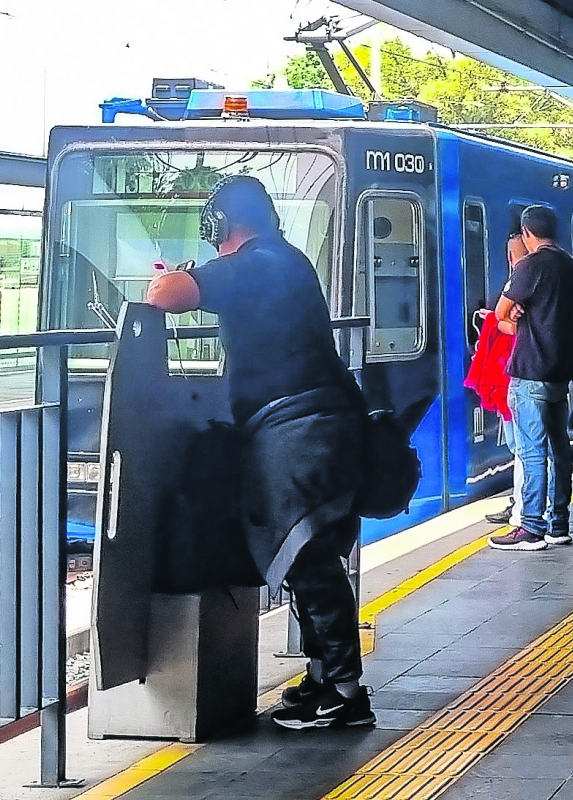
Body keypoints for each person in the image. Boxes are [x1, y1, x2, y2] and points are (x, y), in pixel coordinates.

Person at [145, 175, 375, 730]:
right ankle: (324, 677)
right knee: (303, 558)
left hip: (301, 427)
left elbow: (164, 296)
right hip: (303, 424)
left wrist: (180, 278)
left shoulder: (261, 262)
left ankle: (346, 692)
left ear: (223, 224)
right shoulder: (278, 260)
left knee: (309, 557)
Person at [488, 205, 573, 551]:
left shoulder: (530, 265)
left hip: (529, 372)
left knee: (531, 451)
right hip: (560, 373)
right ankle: (559, 523)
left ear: (527, 233)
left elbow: (500, 314)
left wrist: (515, 316)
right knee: (560, 450)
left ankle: (530, 528)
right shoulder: (567, 265)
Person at [466, 232, 529, 527]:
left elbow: (515, 325)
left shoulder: (520, 282)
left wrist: (493, 319)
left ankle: (524, 506)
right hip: (517, 371)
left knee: (522, 446)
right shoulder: (537, 280)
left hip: (511, 372)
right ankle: (523, 502)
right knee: (525, 446)